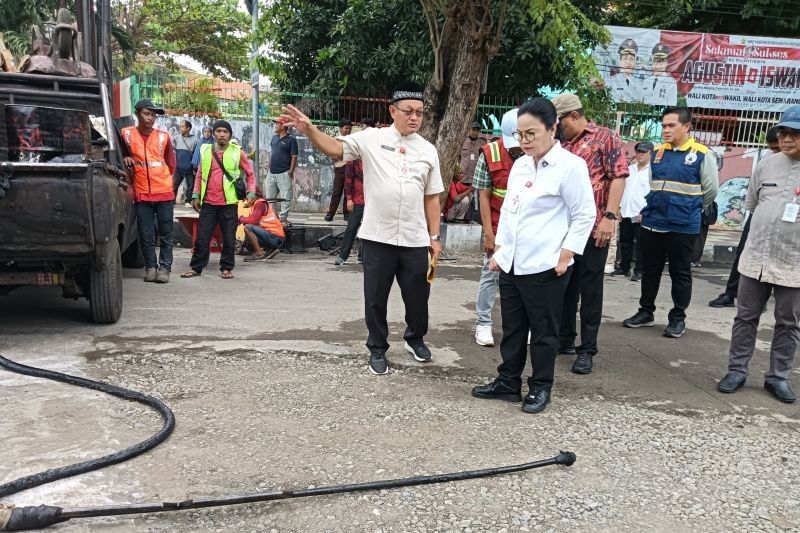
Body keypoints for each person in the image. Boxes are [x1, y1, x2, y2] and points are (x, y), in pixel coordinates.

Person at [279, 82, 444, 375]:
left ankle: (415, 338)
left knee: (418, 297)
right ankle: (377, 349)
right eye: (408, 111)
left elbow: (432, 197)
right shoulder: (371, 139)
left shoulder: (428, 150)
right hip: (377, 236)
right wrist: (311, 130)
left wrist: (434, 237)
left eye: (419, 112)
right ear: (393, 111)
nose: (414, 117)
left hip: (415, 238)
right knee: (375, 298)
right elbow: (335, 148)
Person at [471, 98, 596, 414]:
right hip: (513, 262)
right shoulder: (521, 165)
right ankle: (508, 382)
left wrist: (566, 255)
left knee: (543, 331)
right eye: (520, 134)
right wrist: (500, 251)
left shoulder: (571, 167)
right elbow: (511, 212)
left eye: (532, 133)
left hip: (546, 264)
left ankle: (540, 387)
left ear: (553, 128)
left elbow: (584, 214)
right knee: (512, 327)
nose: (525, 141)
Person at [716, 106, 800, 404]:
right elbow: (752, 203)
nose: (786, 138)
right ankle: (737, 370)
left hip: (794, 263)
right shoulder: (766, 165)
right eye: (783, 132)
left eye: (794, 133)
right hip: (756, 259)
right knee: (745, 317)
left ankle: (778, 377)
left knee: (789, 323)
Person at [623, 108, 719, 338]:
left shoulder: (702, 154)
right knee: (650, 270)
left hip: (683, 224)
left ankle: (677, 319)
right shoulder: (657, 153)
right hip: (653, 220)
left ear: (686, 127)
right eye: (664, 125)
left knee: (680, 272)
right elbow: (652, 183)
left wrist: (688, 207)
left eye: (671, 125)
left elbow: (711, 191)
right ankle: (646, 312)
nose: (665, 130)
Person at [552, 93, 629, 375]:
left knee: (590, 289)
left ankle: (587, 350)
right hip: (562, 229)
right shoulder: (558, 143)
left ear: (574, 115)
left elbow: (618, 176)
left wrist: (609, 217)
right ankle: (564, 340)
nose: (557, 128)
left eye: (560, 122)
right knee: (564, 286)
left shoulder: (605, 137)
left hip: (595, 227)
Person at [709, 127, 781, 308]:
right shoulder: (767, 164)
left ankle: (762, 299)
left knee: (774, 258)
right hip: (759, 216)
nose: (774, 152)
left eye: (777, 148)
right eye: (771, 148)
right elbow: (753, 194)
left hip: (787, 222)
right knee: (743, 253)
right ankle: (730, 294)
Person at [473, 108, 523, 347]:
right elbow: (483, 196)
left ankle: (526, 326)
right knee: (491, 274)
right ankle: (483, 323)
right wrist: (489, 234)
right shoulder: (490, 152)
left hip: (527, 228)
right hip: (497, 225)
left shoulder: (538, 152)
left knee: (526, 278)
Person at [181, 120, 257, 280]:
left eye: (225, 132)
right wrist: (195, 195)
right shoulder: (206, 150)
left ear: (230, 135)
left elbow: (250, 174)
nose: (222, 134)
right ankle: (196, 267)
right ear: (214, 134)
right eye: (219, 131)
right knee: (202, 238)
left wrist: (251, 193)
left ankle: (227, 268)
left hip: (228, 204)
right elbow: (200, 174)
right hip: (208, 203)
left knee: (229, 238)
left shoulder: (237, 152)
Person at [121, 98, 176, 284]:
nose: (150, 118)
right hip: (142, 193)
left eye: (153, 115)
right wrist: (126, 157)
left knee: (166, 233)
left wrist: (163, 181)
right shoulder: (126, 134)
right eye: (146, 113)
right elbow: (120, 155)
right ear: (137, 114)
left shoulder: (163, 136)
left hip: (164, 192)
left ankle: (165, 268)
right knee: (145, 234)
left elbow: (171, 164)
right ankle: (151, 267)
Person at [610, 141, 653, 281]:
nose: (639, 154)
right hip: (626, 210)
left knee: (642, 244)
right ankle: (624, 267)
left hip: (641, 212)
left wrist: (645, 210)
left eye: (643, 152)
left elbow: (653, 192)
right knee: (625, 241)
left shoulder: (652, 172)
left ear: (650, 153)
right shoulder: (631, 168)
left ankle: (639, 271)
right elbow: (624, 188)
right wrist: (619, 207)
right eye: (638, 151)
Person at [334, 155, 365, 265]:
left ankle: (362, 257)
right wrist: (349, 199)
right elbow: (348, 180)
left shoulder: (374, 158)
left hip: (372, 201)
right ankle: (343, 256)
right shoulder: (353, 160)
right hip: (358, 200)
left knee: (367, 230)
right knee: (351, 228)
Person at [266, 119, 298, 224]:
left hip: (284, 173)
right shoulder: (274, 138)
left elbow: (294, 156)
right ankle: (273, 218)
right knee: (270, 198)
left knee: (285, 198)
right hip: (271, 173)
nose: (275, 125)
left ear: (283, 126)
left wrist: (290, 171)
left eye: (277, 123)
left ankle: (283, 218)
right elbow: (272, 153)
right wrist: (269, 165)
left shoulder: (291, 140)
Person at [240, 190, 285, 262]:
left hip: (275, 237)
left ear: (258, 196)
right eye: (248, 195)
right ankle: (269, 250)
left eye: (252, 195)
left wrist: (241, 218)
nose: (250, 197)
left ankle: (259, 253)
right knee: (249, 229)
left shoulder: (260, 203)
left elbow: (252, 221)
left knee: (248, 227)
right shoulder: (254, 205)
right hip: (275, 237)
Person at [325, 118, 353, 221]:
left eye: (350, 128)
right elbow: (332, 155)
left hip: (350, 168)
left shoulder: (352, 140)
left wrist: (342, 156)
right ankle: (330, 213)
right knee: (336, 192)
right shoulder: (336, 140)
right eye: (346, 128)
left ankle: (347, 213)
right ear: (340, 129)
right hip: (340, 168)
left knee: (348, 192)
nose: (348, 131)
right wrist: (345, 156)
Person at [606, 38, 642, 103]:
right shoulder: (611, 81)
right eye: (625, 58)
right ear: (620, 61)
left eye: (631, 59)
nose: (628, 62)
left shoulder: (639, 84)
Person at [173, 120, 199, 207]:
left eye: (182, 126)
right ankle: (171, 201)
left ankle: (188, 201)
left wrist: (195, 167)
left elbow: (196, 155)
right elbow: (172, 151)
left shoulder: (195, 140)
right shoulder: (176, 138)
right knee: (174, 185)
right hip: (178, 167)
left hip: (190, 168)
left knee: (190, 186)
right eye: (180, 126)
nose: (180, 128)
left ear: (188, 128)